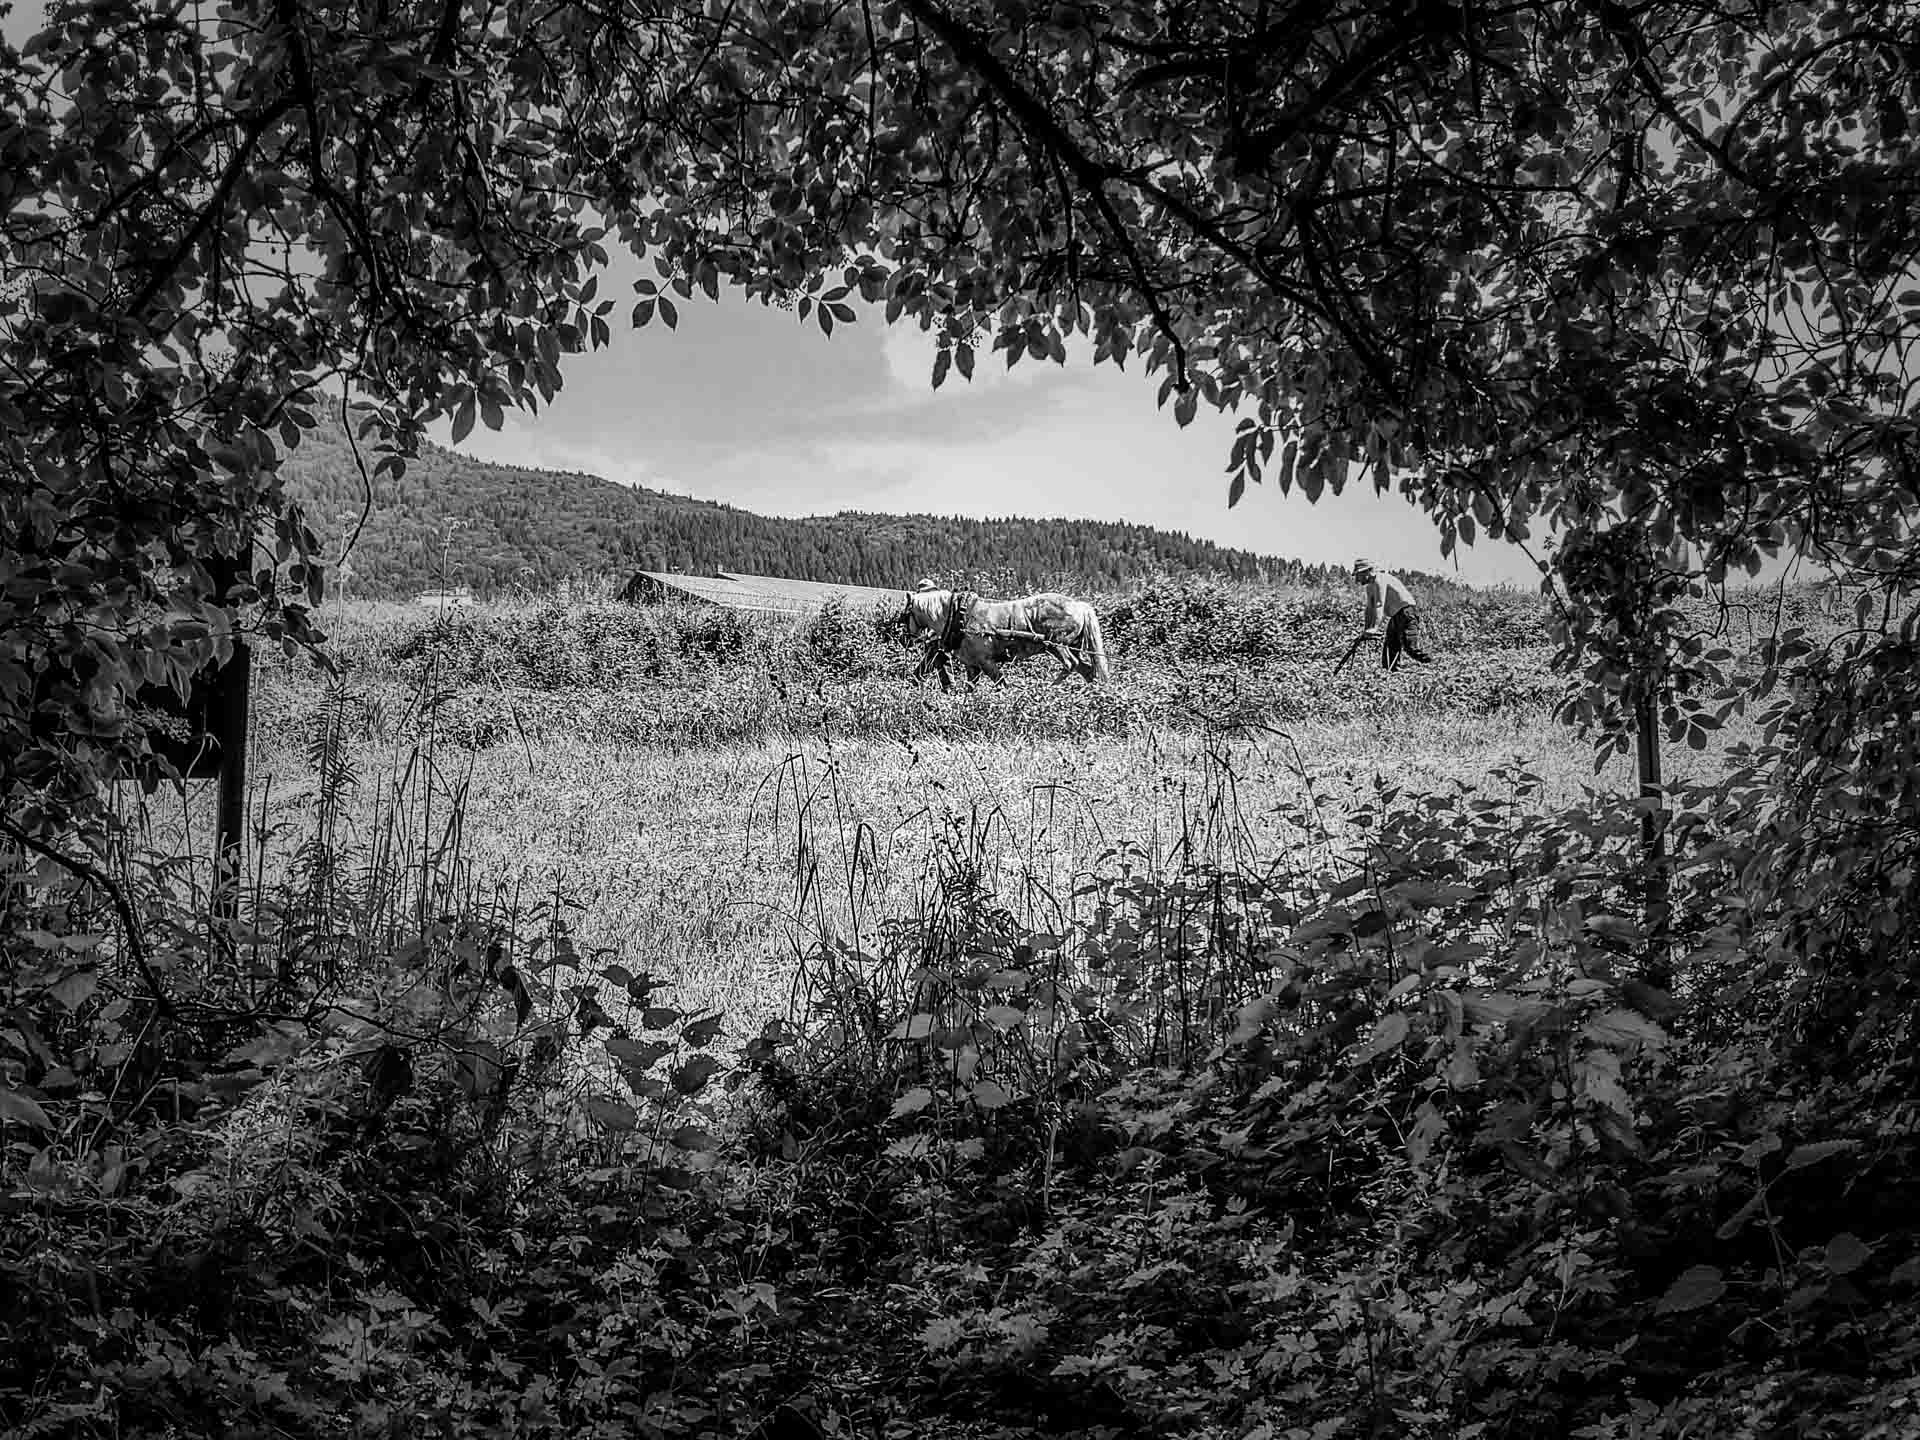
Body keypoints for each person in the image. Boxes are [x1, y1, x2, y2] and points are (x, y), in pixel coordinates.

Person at [1352, 558, 1431, 667]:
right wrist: (1366, 630)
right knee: (1390, 648)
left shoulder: (1380, 580)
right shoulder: (1370, 586)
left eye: (1358, 575)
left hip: (1407, 613)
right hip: (1395, 616)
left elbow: (1379, 604)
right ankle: (1390, 673)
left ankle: (1434, 662)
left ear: (1368, 571)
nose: (1357, 580)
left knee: (1411, 647)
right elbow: (1370, 608)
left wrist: (1374, 628)